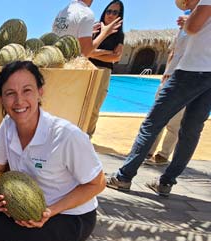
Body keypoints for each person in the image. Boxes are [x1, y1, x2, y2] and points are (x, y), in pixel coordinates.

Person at [0, 61, 106, 241]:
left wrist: (51, 211)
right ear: (1, 99)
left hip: (69, 216)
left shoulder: (66, 136)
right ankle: (26, 233)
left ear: (40, 92)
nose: (19, 101)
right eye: (10, 93)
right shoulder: (7, 126)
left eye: (27, 90)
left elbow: (97, 184)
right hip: (27, 206)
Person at [107, 0, 211, 197]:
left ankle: (123, 177)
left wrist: (188, 22)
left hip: (191, 70)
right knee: (191, 131)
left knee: (153, 123)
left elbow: (194, 27)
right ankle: (166, 182)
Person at [146, 0, 197, 166]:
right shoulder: (184, 21)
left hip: (187, 76)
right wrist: (167, 71)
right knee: (156, 115)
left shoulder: (204, 22)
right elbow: (174, 51)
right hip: (170, 76)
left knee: (176, 120)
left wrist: (192, 25)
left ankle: (163, 154)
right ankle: (148, 150)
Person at [86, 0, 125, 136]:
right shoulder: (95, 28)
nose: (111, 14)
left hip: (104, 72)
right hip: (87, 68)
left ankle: (88, 136)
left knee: (94, 107)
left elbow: (116, 58)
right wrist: (107, 52)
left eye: (115, 12)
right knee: (82, 102)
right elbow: (86, 51)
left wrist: (95, 53)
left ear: (120, 15)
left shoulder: (119, 35)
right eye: (109, 11)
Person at [52, 0, 122, 57]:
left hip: (55, 60)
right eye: (109, 11)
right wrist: (104, 33)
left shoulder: (62, 12)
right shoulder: (86, 13)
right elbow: (84, 53)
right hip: (68, 67)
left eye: (115, 12)